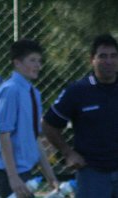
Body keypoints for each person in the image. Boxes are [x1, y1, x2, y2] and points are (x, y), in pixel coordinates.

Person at [42, 33, 118, 198]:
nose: (109, 61)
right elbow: (48, 124)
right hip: (92, 174)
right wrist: (68, 152)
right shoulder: (78, 91)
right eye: (103, 56)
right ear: (92, 60)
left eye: (113, 56)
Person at [0, 39, 59, 198]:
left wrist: (51, 178)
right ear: (17, 63)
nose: (38, 65)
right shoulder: (9, 90)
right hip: (10, 173)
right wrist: (12, 177)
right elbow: (4, 135)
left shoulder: (33, 93)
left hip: (25, 170)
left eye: (39, 61)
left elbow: (34, 138)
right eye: (32, 60)